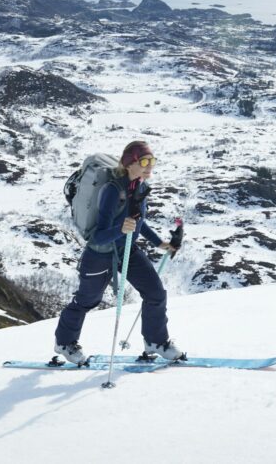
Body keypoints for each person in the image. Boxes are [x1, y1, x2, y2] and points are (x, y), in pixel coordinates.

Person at [54, 140, 183, 364]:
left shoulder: (139, 187)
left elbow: (139, 223)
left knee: (155, 294)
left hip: (127, 250)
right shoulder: (112, 191)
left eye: (152, 160)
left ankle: (155, 341)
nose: (149, 165)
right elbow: (98, 235)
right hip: (99, 254)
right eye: (144, 160)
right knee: (87, 300)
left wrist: (160, 244)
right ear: (129, 163)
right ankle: (64, 342)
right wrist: (120, 228)